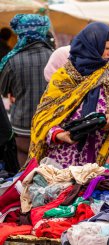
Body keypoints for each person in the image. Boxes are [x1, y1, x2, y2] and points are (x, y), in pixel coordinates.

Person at [28, 22, 109, 169]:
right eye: (107, 48)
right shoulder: (63, 78)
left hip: (98, 159)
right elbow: (42, 119)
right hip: (61, 160)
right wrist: (59, 134)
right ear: (92, 47)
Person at [0, 14, 53, 167]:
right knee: (48, 172)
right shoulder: (54, 56)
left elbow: (4, 91)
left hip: (22, 127)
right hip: (50, 127)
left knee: (24, 173)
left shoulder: (12, 60)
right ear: (43, 32)